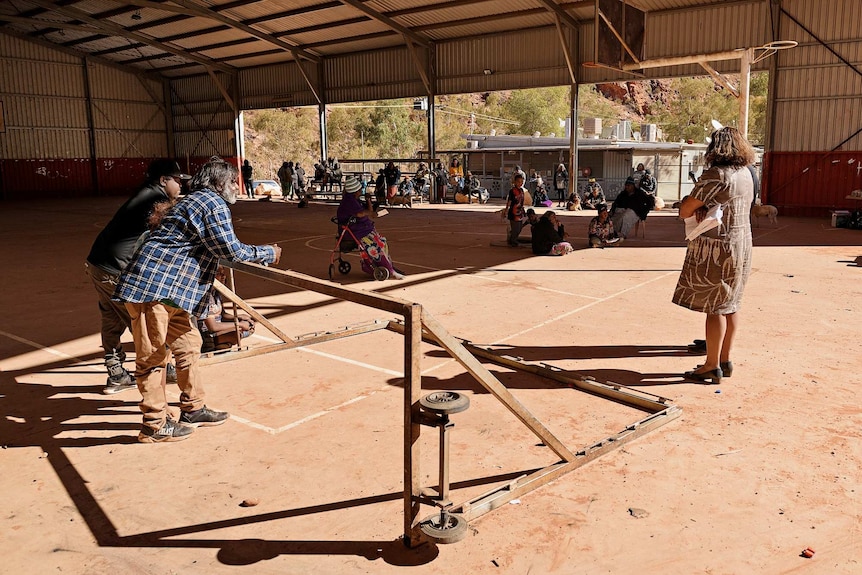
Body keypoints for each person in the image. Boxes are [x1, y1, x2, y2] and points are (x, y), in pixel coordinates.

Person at [115, 159, 282, 443]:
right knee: (153, 357)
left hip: (174, 292)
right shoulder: (211, 203)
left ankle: (193, 408)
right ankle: (154, 425)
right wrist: (268, 253)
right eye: (232, 182)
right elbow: (230, 249)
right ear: (219, 183)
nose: (235, 188)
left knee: (189, 345)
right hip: (153, 289)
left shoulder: (195, 200)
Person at [86, 159, 189, 394]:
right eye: (177, 180)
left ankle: (116, 373)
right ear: (164, 180)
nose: (181, 186)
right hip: (116, 269)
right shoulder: (156, 200)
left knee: (111, 319)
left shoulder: (144, 194)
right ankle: (157, 369)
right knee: (142, 321)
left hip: (98, 265)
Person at [673, 127, 755, 384]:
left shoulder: (716, 174)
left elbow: (685, 210)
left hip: (718, 249)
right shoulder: (747, 173)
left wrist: (692, 202)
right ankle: (724, 359)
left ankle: (710, 366)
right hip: (742, 244)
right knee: (732, 304)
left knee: (715, 307)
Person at [336, 176, 404, 280]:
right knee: (375, 247)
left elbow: (368, 211)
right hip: (356, 232)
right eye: (359, 190)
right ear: (355, 191)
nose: (361, 192)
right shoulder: (349, 201)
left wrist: (368, 200)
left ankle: (388, 266)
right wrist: (371, 213)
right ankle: (389, 270)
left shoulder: (355, 200)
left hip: (363, 229)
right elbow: (360, 213)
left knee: (382, 242)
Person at [198, 267, 255, 353]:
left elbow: (223, 315)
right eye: (219, 273)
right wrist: (239, 324)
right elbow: (212, 327)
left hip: (218, 328)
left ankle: (221, 345)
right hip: (207, 333)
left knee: (249, 327)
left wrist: (238, 317)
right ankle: (214, 345)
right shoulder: (206, 296)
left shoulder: (216, 293)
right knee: (238, 333)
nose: (223, 276)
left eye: (223, 273)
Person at [505, 172, 527, 247]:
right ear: (515, 182)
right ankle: (513, 240)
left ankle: (512, 237)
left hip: (519, 211)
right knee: (516, 228)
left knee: (520, 227)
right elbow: (509, 201)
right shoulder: (512, 191)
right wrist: (506, 210)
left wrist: (523, 210)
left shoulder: (522, 191)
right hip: (513, 212)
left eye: (521, 182)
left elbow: (521, 202)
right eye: (518, 182)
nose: (520, 183)